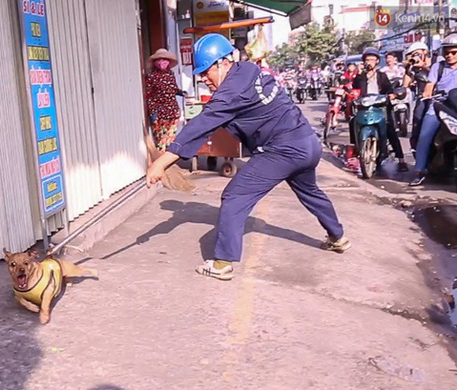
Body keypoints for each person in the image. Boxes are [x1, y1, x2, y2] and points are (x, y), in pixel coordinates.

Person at [145, 34, 350, 281]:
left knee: (235, 196)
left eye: (205, 72)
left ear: (222, 64)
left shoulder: (231, 91)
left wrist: (162, 162)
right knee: (311, 192)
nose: (203, 79)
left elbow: (201, 125)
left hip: (282, 149)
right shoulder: (249, 70)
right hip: (307, 143)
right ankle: (337, 237)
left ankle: (222, 263)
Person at [409, 34, 457, 186]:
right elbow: (430, 85)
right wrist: (427, 93)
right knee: (425, 134)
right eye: (447, 52)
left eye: (453, 52)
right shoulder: (438, 67)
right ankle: (419, 171)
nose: (449, 55)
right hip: (439, 105)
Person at [352, 47, 408, 172]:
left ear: (377, 61)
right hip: (365, 107)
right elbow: (355, 87)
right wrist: (360, 73)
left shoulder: (382, 75)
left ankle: (401, 159)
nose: (370, 62)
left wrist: (392, 95)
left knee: (390, 130)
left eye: (372, 59)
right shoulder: (361, 76)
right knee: (353, 122)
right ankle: (356, 148)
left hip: (380, 107)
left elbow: (389, 89)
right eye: (367, 59)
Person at [145, 48, 184, 153]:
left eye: (165, 60)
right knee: (161, 142)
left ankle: (165, 164)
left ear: (169, 62)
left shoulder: (171, 74)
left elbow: (174, 89)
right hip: (160, 115)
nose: (162, 62)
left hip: (173, 112)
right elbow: (149, 96)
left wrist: (181, 92)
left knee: (170, 140)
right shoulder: (151, 76)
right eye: (159, 60)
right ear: (155, 62)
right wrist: (153, 113)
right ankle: (160, 163)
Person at [403, 42, 431, 153]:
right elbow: (405, 85)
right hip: (422, 99)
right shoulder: (414, 68)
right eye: (413, 54)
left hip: (440, 98)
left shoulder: (436, 63)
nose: (416, 56)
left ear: (425, 52)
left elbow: (438, 75)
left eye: (417, 53)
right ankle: (416, 147)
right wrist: (408, 69)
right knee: (417, 121)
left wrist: (424, 66)